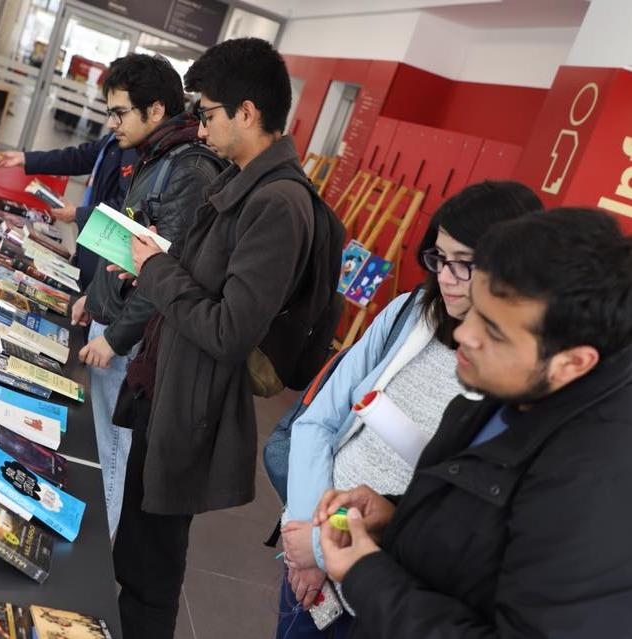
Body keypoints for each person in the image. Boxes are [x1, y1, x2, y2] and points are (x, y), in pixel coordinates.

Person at [314, 207, 632, 638]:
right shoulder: (509, 387)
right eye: (476, 309)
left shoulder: (596, 487)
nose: (464, 333)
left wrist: (367, 576)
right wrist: (400, 513)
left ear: (572, 363)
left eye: (495, 330)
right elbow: (482, 531)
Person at [109, 37, 314, 639]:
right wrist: (152, 262)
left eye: (208, 113)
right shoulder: (247, 182)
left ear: (247, 112)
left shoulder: (278, 203)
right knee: (137, 556)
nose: (199, 129)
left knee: (151, 571)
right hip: (167, 382)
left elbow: (229, 329)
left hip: (190, 403)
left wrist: (157, 271)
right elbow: (206, 279)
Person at [277, 181, 542, 637]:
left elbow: (462, 509)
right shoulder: (409, 311)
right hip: (314, 538)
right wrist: (308, 535)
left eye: (466, 265)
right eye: (439, 259)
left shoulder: (519, 376)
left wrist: (322, 554)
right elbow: (318, 420)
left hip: (390, 586)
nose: (446, 278)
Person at [67, 53, 222, 537]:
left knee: (112, 456)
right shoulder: (157, 156)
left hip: (131, 341)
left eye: (119, 113)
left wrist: (114, 338)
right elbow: (131, 243)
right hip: (113, 320)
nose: (111, 124)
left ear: (155, 111)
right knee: (102, 446)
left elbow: (164, 273)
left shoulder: (188, 170)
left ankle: (96, 564)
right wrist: (94, 296)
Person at [0, 135, 137, 288]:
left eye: (119, 113)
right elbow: (78, 157)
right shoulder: (115, 138)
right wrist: (25, 158)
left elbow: (127, 204)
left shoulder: (134, 149)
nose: (111, 122)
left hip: (109, 252)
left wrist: (78, 214)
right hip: (89, 240)